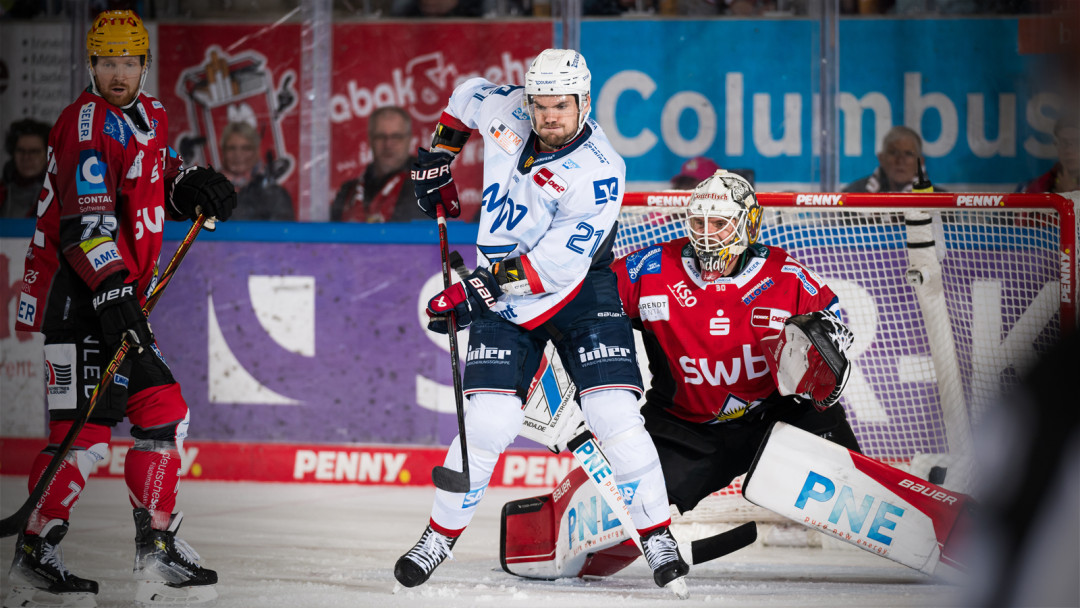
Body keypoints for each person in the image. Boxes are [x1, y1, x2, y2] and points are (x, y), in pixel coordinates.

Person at [395, 49, 689, 594]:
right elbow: (463, 94)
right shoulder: (507, 111)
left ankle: (656, 533)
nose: (549, 116)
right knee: (486, 424)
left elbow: (553, 266)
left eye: (561, 105)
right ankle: (438, 536)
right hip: (505, 291)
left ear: (584, 101)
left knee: (613, 414)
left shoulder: (601, 170)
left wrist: (475, 292)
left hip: (576, 289)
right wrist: (441, 154)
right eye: (540, 104)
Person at [9, 10, 236, 606]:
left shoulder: (152, 114)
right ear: (92, 63)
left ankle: (156, 547)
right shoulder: (84, 123)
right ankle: (35, 549)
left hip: (118, 298)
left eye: (128, 62)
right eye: (106, 62)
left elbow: (155, 174)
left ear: (144, 63)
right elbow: (85, 223)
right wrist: (112, 295)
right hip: (79, 297)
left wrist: (192, 184)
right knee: (81, 436)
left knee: (165, 410)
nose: (117, 72)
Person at [612, 170, 861, 519]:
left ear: (748, 225)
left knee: (855, 488)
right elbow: (589, 308)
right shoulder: (650, 269)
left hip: (777, 416)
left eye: (720, 224)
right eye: (699, 223)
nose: (707, 236)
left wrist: (821, 363)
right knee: (616, 512)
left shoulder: (787, 276)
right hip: (684, 430)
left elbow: (834, 335)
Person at [330, 106, 427, 223]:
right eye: (380, 137)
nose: (388, 144)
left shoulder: (426, 187)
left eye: (396, 137)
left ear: (409, 139)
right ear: (370, 139)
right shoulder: (348, 191)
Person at [218, 121, 295, 221]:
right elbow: (194, 232)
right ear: (223, 152)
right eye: (231, 148)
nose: (238, 154)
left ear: (256, 152)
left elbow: (283, 234)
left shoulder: (274, 195)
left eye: (246, 148)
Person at [843, 125, 944, 193]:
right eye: (893, 153)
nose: (900, 160)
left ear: (920, 161)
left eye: (908, 154)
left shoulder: (941, 202)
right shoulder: (853, 194)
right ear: (881, 158)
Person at [1, 118, 51, 218]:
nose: (26, 157)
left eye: (34, 151)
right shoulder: (2, 191)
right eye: (20, 151)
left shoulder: (59, 196)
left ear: (47, 155)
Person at [1018, 116, 1078, 194]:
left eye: (1077, 142)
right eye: (1063, 143)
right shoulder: (1041, 185)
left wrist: (1071, 194)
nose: (1068, 150)